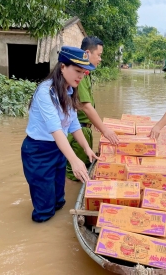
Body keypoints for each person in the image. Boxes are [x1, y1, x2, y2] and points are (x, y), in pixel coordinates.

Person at [21, 46, 99, 223]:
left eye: (84, 72)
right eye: (77, 71)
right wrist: (74, 160)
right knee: (44, 210)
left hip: (58, 149)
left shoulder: (69, 90)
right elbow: (56, 129)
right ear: (62, 67)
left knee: (59, 200)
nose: (81, 76)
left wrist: (87, 149)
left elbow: (73, 123)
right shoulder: (45, 92)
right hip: (39, 151)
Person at [66, 36, 119, 181]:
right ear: (88, 53)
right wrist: (105, 129)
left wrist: (96, 124)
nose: (100, 59)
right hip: (78, 130)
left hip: (84, 128)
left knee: (80, 168)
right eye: (99, 55)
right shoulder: (79, 75)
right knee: (75, 174)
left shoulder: (86, 74)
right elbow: (86, 106)